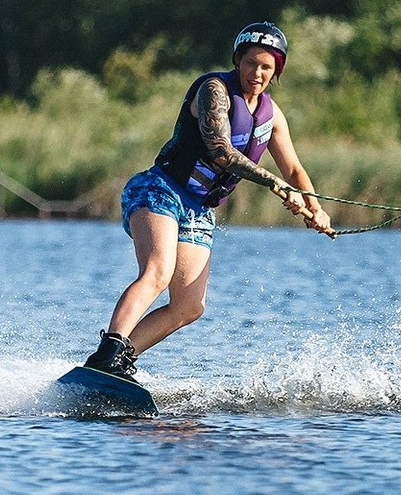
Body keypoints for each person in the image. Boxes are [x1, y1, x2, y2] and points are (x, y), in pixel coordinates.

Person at [82, 22, 334, 380]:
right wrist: (278, 187)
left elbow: (293, 169)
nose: (257, 73)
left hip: (200, 210)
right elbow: (221, 151)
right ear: (237, 60)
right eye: (250, 63)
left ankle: (115, 365)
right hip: (160, 191)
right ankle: (109, 351)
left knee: (189, 306)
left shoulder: (272, 116)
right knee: (157, 272)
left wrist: (315, 208)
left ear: (278, 69)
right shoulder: (213, 90)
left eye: (266, 66)